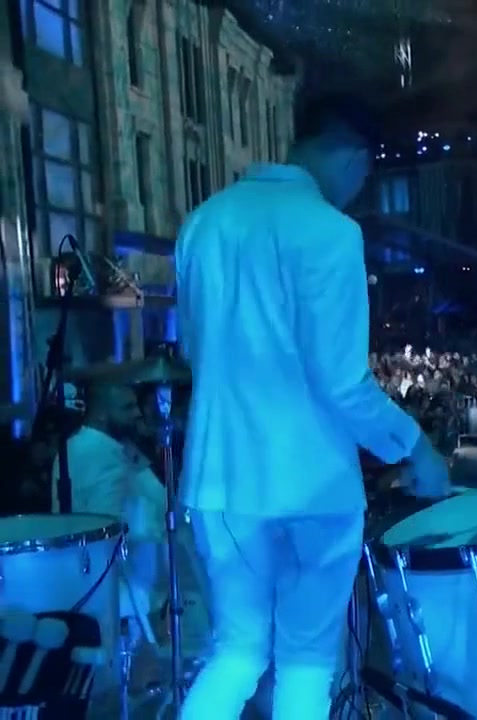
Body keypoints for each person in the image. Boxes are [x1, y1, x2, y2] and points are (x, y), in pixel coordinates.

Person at [175, 95, 451, 719]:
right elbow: (341, 381)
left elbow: (194, 350)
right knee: (304, 662)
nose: (360, 188)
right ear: (354, 157)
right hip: (313, 485)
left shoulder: (202, 223)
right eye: (366, 173)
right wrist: (417, 448)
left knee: (235, 654)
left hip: (220, 478)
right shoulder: (331, 232)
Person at [52, 383, 169, 623]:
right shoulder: (99, 454)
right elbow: (108, 531)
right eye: (127, 408)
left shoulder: (89, 445)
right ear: (101, 414)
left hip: (99, 581)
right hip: (113, 588)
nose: (137, 413)